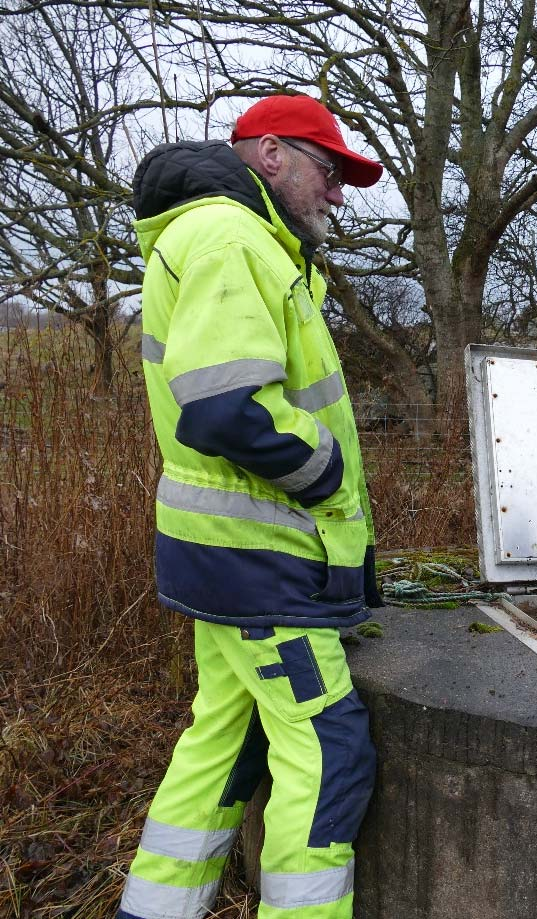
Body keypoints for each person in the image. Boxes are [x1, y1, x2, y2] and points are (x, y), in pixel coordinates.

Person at [117, 95, 385, 919]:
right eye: (329, 171)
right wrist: (330, 473)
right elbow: (228, 405)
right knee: (327, 753)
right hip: (264, 568)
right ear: (270, 155)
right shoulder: (233, 238)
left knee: (223, 743)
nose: (338, 193)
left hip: (228, 558)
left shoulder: (229, 237)